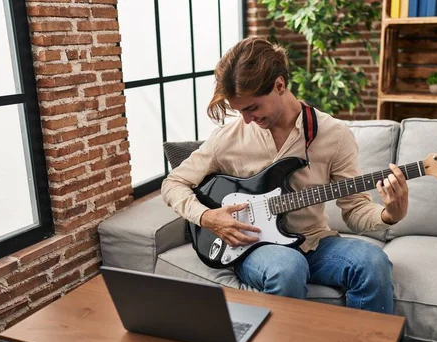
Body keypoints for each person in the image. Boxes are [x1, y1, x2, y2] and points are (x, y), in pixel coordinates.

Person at [161, 37, 408, 314]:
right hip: (253, 247)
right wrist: (207, 217)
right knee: (288, 266)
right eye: (239, 110)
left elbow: (355, 209)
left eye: (252, 108)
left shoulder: (333, 134)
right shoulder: (227, 139)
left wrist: (389, 215)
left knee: (372, 261)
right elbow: (173, 184)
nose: (246, 119)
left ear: (279, 85)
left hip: (314, 242)